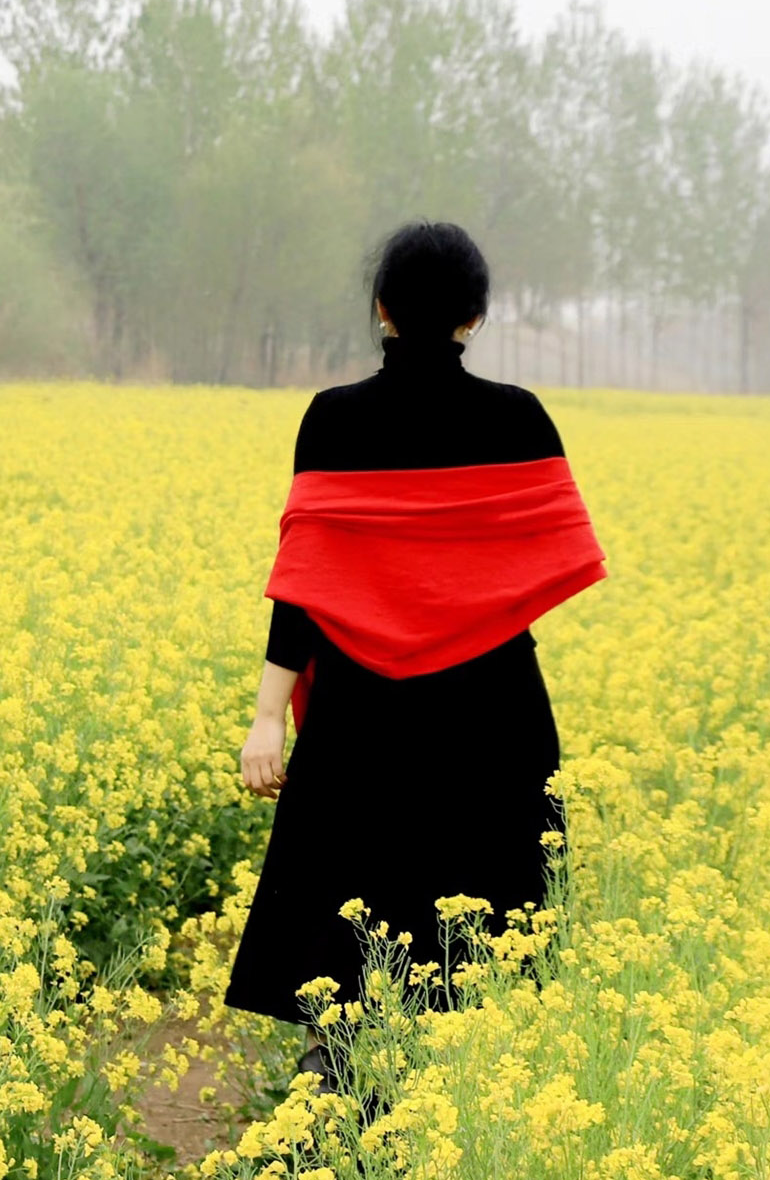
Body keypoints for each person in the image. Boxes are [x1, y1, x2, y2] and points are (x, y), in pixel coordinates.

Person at [221, 220, 607, 1097]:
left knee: (352, 890)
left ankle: (338, 1085)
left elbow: (304, 583)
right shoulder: (518, 417)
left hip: (361, 707)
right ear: (476, 315)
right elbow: (550, 554)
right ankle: (472, 1098)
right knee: (487, 902)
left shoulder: (333, 417)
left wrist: (267, 718)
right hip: (492, 702)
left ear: (382, 309)